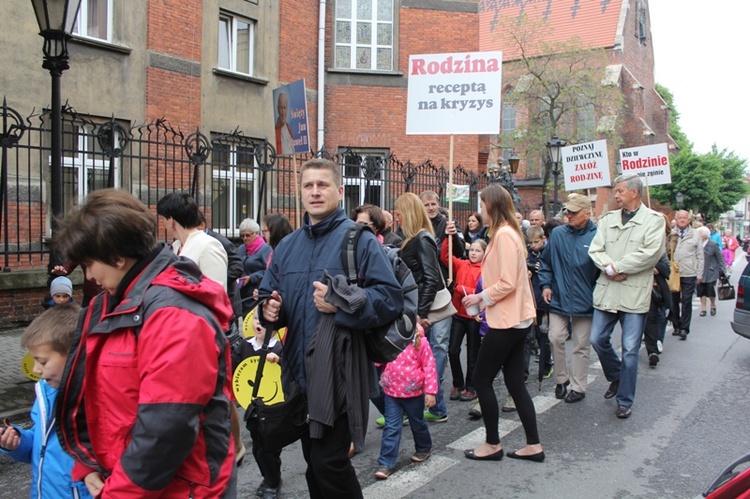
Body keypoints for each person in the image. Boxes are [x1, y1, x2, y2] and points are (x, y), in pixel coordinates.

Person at [54, 189, 236, 497]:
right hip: (132, 480)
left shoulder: (173, 315)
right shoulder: (115, 302)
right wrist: (89, 464)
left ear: (116, 256)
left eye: (88, 263)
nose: (88, 275)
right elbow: (94, 396)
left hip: (175, 488)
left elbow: (166, 428)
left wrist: (119, 492)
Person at [258, 159, 402, 499]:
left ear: (339, 191)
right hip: (297, 372)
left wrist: (342, 303)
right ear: (300, 193)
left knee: (329, 463)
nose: (315, 192)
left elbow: (389, 298)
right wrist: (269, 309)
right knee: (314, 460)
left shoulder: (359, 241)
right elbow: (269, 295)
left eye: (322, 185)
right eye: (308, 186)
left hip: (340, 372)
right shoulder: (288, 246)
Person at [461, 185, 544, 463]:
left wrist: (480, 297)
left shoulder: (505, 235)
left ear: (492, 207)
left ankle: (492, 443)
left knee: (481, 380)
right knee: (513, 383)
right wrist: (483, 303)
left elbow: (507, 282)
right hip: (514, 319)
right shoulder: (504, 234)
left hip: (508, 322)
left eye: (482, 206)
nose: (479, 211)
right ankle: (533, 445)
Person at [588, 174, 665, 419]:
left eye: (620, 191)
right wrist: (607, 267)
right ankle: (618, 376)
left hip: (633, 295)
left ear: (634, 192)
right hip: (608, 291)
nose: (616, 195)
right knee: (597, 338)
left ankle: (625, 399)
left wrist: (617, 267)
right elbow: (595, 249)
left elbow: (650, 254)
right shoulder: (608, 219)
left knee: (631, 349)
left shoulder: (653, 220)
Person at [0, 304, 92, 499]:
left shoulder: (95, 403)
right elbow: (41, 443)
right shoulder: (46, 392)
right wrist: (17, 442)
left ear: (74, 356)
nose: (35, 370)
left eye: (42, 362)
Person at [538, 193, 599, 404]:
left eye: (574, 212)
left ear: (587, 213)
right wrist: (546, 285)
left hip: (586, 299)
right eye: (568, 212)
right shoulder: (558, 235)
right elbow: (545, 263)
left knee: (581, 344)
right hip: (560, 296)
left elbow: (602, 270)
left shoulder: (597, 235)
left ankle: (578, 387)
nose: (569, 215)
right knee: (555, 337)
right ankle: (561, 379)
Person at [399, 192, 451, 423]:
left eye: (399, 211)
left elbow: (431, 278)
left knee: (423, 357)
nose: (396, 216)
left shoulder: (422, 238)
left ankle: (424, 408)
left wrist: (421, 312)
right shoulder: (415, 238)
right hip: (416, 305)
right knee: (419, 357)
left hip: (423, 307)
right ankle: (430, 408)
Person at [374, 325, 437, 480]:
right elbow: (379, 359)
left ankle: (424, 447)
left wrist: (431, 392)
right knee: (391, 426)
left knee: (417, 423)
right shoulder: (388, 338)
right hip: (391, 392)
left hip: (413, 393)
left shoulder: (420, 342)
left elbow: (430, 367)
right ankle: (386, 462)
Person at [234, 313, 284, 499]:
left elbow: (288, 374)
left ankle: (273, 481)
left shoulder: (279, 348)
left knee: (270, 448)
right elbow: (236, 369)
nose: (259, 324)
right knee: (258, 448)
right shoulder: (245, 345)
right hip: (253, 409)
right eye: (256, 319)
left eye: (264, 322)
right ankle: (268, 477)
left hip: (273, 410)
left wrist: (279, 360)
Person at [443, 220, 485, 402]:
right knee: (452, 351)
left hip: (474, 316)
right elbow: (445, 257)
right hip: (458, 315)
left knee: (473, 354)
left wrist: (457, 287)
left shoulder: (485, 269)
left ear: (484, 254)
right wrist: (448, 237)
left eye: (478, 251)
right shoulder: (462, 264)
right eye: (472, 250)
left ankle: (471, 386)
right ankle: (458, 383)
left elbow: (478, 292)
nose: (474, 253)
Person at [157, 192, 229, 289]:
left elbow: (216, 291)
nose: (162, 224)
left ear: (171, 221)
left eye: (163, 219)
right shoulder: (175, 246)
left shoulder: (209, 246)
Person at [642, 213, 674, 368]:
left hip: (653, 288)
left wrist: (656, 268)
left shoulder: (660, 246)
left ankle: (653, 350)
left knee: (652, 318)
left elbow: (667, 269)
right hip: (633, 287)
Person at [200, 211, 244, 320]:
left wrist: (218, 280)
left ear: (202, 225)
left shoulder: (220, 241)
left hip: (227, 299)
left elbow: (237, 266)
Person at [671, 210, 704, 339]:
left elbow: (700, 256)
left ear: (689, 220)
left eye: (685, 218)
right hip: (674, 273)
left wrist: (699, 274)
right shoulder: (671, 234)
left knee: (686, 300)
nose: (682, 220)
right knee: (673, 301)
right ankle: (676, 325)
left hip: (689, 272)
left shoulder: (695, 235)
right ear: (676, 219)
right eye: (680, 218)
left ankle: (684, 328)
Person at [237, 218, 273, 316]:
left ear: (256, 233)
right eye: (242, 235)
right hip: (242, 293)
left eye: (248, 235)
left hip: (256, 293)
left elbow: (269, 271)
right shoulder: (241, 249)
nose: (245, 238)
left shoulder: (265, 249)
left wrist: (252, 277)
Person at [696, 226, 726, 317]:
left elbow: (720, 259)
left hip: (711, 271)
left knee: (710, 290)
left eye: (699, 234)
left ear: (704, 236)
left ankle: (713, 305)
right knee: (701, 291)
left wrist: (724, 271)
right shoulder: (696, 245)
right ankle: (703, 308)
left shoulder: (713, 244)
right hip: (699, 271)